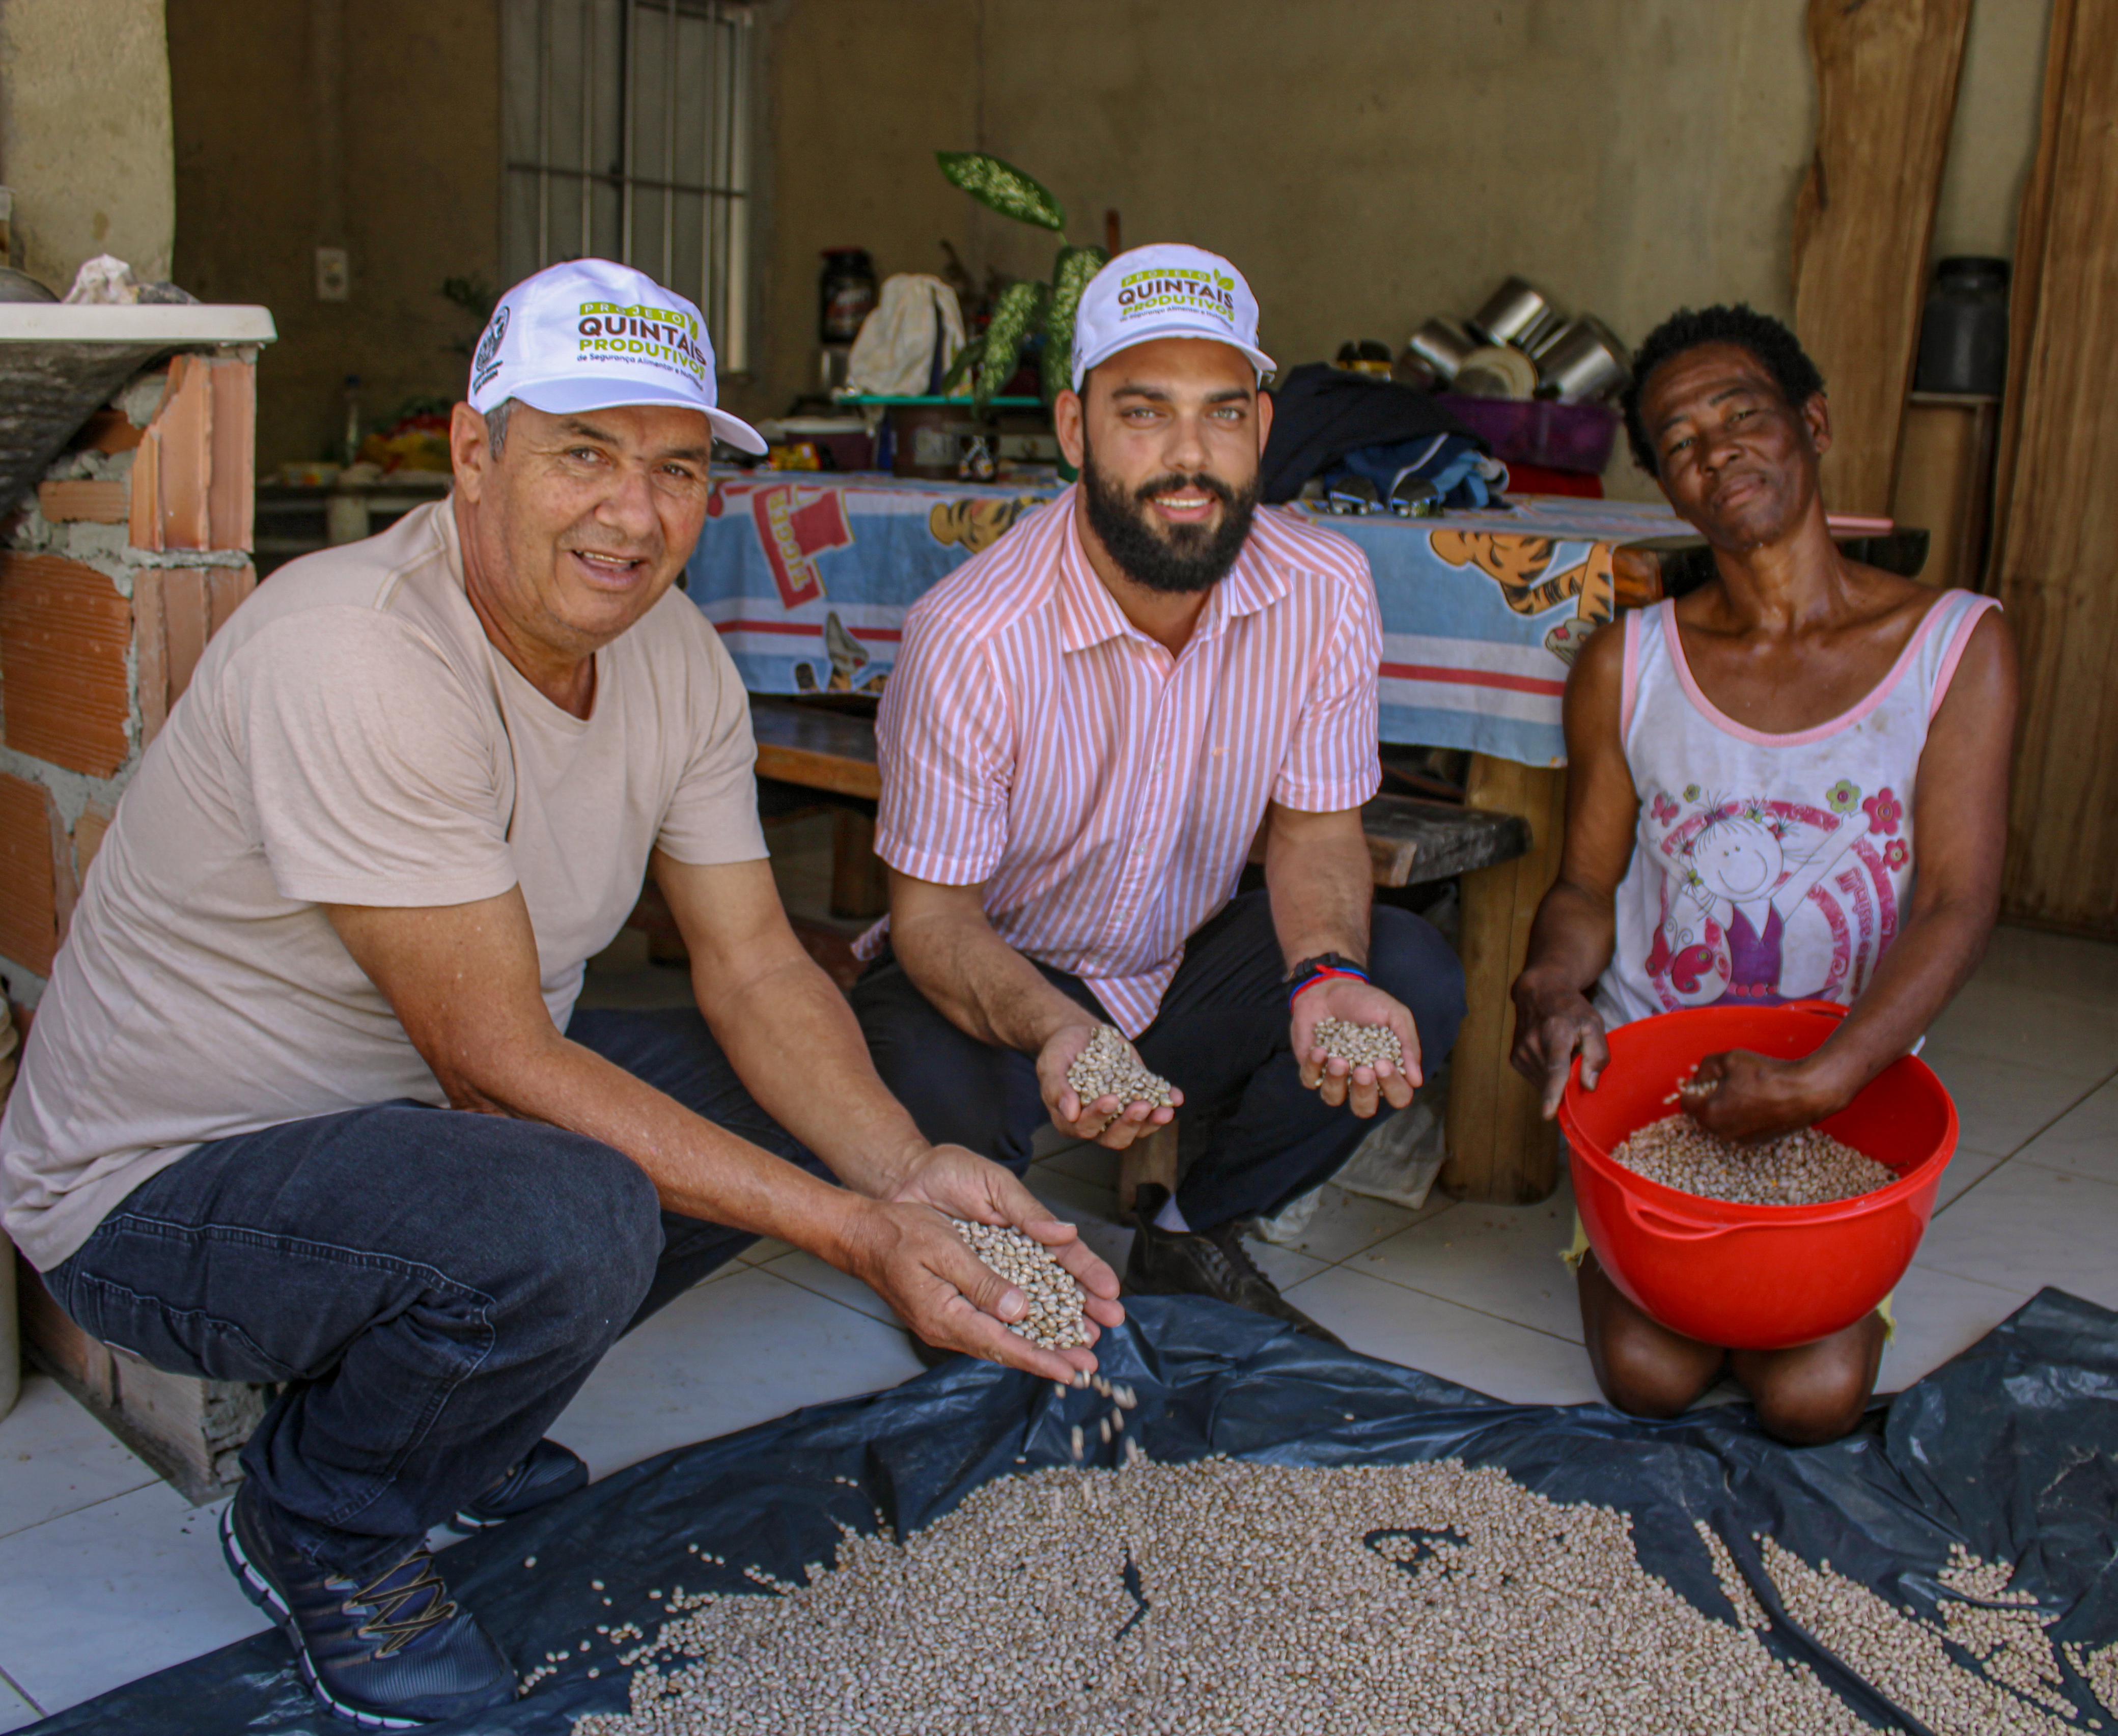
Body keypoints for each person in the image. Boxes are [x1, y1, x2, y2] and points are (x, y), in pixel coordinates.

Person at [0, 260, 1121, 1727]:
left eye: (675, 469)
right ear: (476, 455)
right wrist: (860, 1233)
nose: (632, 516)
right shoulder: (357, 648)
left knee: (834, 1083)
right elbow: (495, 1061)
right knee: (567, 1216)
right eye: (582, 454)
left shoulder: (675, 662)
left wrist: (904, 1174)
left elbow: (754, 964)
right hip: (160, 1186)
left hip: (404, 1125)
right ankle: (322, 1516)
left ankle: (443, 1415)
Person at [851, 244, 1466, 1343]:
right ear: (1074, 429)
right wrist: (1056, 1029)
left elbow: (1317, 830)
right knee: (927, 1081)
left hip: (1178, 964)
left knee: (1405, 976)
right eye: (1143, 413)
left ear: (1262, 429)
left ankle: (1191, 1230)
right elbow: (933, 920)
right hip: (1003, 977)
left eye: (1222, 413)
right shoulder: (975, 635)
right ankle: (1011, 1276)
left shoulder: (1324, 589)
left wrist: (1326, 973)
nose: (1189, 457)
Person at [1509, 304, 2016, 1444]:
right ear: (1666, 488)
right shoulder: (1629, 664)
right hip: (1662, 1088)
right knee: (1648, 1377)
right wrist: (1548, 985)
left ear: (1812, 424)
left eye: (1741, 415)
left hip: (1848, 1079)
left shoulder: (1953, 646)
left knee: (1811, 1401)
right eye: (1680, 441)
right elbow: (1585, 887)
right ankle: (1626, 1233)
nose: (1716, 451)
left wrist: (1822, 1081)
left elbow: (1957, 902)